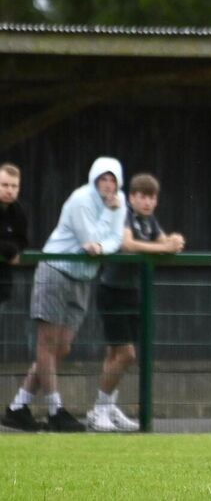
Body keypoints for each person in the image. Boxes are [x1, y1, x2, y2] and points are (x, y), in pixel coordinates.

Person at [3, 157, 126, 433]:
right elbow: (89, 239)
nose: (107, 185)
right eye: (103, 179)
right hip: (55, 270)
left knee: (63, 347)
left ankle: (17, 407)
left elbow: (113, 240)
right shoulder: (81, 199)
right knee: (47, 343)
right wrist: (107, 217)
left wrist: (101, 244)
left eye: (112, 180)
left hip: (82, 278)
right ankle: (55, 409)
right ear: (94, 179)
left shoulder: (120, 202)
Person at [88, 173, 185, 432]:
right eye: (141, 196)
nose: (147, 202)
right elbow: (127, 244)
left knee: (114, 355)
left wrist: (173, 242)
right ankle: (99, 409)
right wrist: (164, 248)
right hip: (112, 290)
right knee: (127, 355)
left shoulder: (149, 220)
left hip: (132, 292)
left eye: (152, 197)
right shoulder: (125, 215)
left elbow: (163, 240)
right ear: (131, 197)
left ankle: (106, 408)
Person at [0, 163, 29, 308]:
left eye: (14, 186)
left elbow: (22, 241)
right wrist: (10, 250)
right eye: (4, 185)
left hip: (3, 281)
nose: (9, 190)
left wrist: (13, 249)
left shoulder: (19, 212)